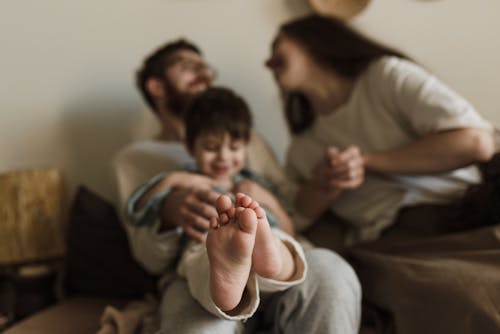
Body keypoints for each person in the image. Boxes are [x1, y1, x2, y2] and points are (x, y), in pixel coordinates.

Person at [114, 38, 362, 333]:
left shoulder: (250, 141)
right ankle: (230, 281)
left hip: (279, 250)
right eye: (188, 66)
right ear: (157, 87)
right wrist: (168, 209)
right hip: (198, 263)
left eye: (206, 67)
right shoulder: (134, 159)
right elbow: (146, 250)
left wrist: (327, 182)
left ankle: (272, 263)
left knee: (330, 271)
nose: (205, 73)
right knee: (201, 300)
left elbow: (294, 211)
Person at [265, 14, 497, 246]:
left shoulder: (384, 76)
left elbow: (477, 143)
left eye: (278, 45)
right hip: (393, 237)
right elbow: (296, 219)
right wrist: (326, 183)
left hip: (466, 205)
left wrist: (366, 162)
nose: (268, 63)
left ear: (313, 39)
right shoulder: (302, 149)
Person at [128, 86, 304, 317]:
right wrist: (174, 179)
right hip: (203, 246)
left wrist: (269, 199)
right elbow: (136, 209)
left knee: (279, 239)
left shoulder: (255, 185)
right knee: (200, 259)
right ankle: (228, 275)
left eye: (234, 148)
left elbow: (290, 227)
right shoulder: (187, 183)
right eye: (211, 148)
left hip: (263, 251)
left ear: (246, 146)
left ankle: (271, 259)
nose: (223, 157)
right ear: (191, 147)